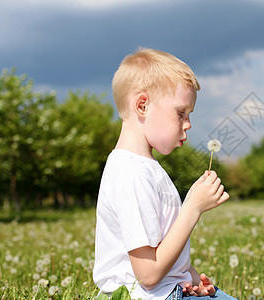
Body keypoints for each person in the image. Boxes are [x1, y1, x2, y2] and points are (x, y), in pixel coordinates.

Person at [93, 48, 237, 300]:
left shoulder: (146, 169)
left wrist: (192, 280)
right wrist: (192, 208)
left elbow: (163, 252)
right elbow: (148, 274)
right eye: (181, 112)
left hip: (171, 291)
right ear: (142, 105)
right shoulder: (131, 173)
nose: (188, 123)